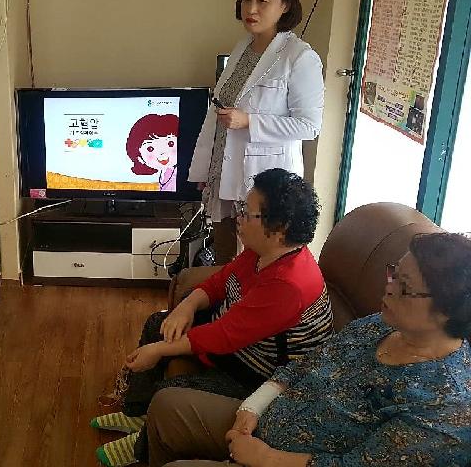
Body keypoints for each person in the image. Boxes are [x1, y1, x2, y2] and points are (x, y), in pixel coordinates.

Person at [146, 232, 471, 467]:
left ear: (447, 311)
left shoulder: (446, 408)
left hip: (281, 459)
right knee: (166, 405)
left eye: (404, 287)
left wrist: (267, 458)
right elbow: (307, 363)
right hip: (264, 422)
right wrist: (252, 408)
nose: (388, 287)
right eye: (393, 274)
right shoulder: (379, 325)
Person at [92, 168, 333, 467]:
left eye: (247, 213)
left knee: (170, 391)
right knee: (158, 324)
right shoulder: (262, 251)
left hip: (258, 374)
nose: (238, 217)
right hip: (236, 346)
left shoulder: (289, 284)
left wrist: (159, 350)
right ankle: (137, 413)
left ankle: (141, 448)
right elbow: (220, 282)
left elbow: (223, 336)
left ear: (279, 229)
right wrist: (187, 306)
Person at [189, 0, 325, 264]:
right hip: (224, 170)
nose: (251, 9)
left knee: (254, 260)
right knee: (226, 256)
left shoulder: (300, 57)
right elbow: (219, 111)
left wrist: (250, 121)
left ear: (285, 5)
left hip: (263, 178)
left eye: (262, 0)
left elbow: (309, 126)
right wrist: (207, 169)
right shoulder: (243, 49)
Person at [125, 114, 179, 192]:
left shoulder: (177, 174)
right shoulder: (166, 172)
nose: (162, 153)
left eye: (171, 144)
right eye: (150, 149)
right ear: (139, 157)